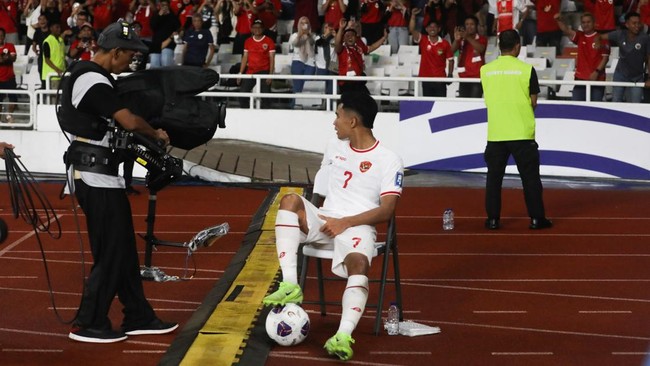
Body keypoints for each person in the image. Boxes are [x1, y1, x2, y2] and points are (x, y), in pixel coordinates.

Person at [262, 91, 404, 361]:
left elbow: (387, 210)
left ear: (352, 122)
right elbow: (320, 188)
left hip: (357, 225)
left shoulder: (389, 159)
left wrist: (345, 222)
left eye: (337, 116)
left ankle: (343, 335)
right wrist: (326, 217)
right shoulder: (335, 145)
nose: (334, 122)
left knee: (359, 264)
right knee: (290, 200)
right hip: (326, 218)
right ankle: (291, 284)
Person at [59, 21, 177, 343]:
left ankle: (138, 315)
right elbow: (126, 120)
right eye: (131, 54)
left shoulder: (92, 77)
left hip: (101, 176)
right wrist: (155, 133)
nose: (133, 60)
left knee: (123, 250)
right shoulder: (92, 79)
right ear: (116, 52)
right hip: (94, 176)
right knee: (111, 251)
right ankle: (90, 323)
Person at [480, 29, 552, 230]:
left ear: (499, 46)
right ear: (517, 46)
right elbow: (534, 101)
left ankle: (493, 220)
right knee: (530, 179)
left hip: (496, 132)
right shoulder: (527, 70)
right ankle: (537, 219)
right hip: (521, 132)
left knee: (494, 180)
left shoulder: (485, 70)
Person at [555, 12, 609, 101]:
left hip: (597, 80)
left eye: (588, 22)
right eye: (583, 22)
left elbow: (605, 58)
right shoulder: (580, 36)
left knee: (595, 109)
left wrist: (596, 72)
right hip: (580, 79)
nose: (586, 24)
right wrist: (559, 20)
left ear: (594, 23)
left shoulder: (601, 38)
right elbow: (566, 30)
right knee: (577, 108)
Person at [600, 12, 650, 103]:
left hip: (637, 77)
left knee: (635, 106)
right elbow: (601, 37)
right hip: (620, 75)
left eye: (638, 23)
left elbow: (649, 59)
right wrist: (598, 43)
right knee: (616, 103)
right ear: (627, 24)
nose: (637, 26)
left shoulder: (645, 38)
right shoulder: (619, 34)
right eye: (634, 23)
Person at [334, 18, 387, 93]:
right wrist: (341, 28)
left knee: (366, 100)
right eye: (347, 36)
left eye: (352, 36)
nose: (350, 38)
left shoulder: (359, 46)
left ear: (356, 38)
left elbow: (371, 47)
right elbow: (337, 43)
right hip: (346, 83)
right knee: (350, 103)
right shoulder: (341, 49)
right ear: (344, 39)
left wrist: (383, 38)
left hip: (358, 81)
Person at [410, 10, 454, 97]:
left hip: (440, 79)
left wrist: (450, 75)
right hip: (426, 78)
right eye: (430, 27)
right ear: (426, 29)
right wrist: (413, 16)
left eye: (435, 27)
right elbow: (411, 30)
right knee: (428, 105)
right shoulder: (423, 40)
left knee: (440, 105)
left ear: (439, 29)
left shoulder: (445, 43)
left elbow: (451, 60)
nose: (432, 29)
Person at [237, 19, 275, 108]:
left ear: (263, 29)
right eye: (255, 27)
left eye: (259, 27)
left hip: (264, 71)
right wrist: (240, 73)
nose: (257, 29)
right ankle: (245, 113)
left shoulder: (269, 41)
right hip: (250, 71)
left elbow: (272, 59)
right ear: (252, 29)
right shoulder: (248, 41)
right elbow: (245, 58)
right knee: (242, 95)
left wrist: (270, 75)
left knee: (266, 96)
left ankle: (266, 116)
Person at [451, 15, 486, 98]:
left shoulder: (482, 38)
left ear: (476, 26)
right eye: (467, 24)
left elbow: (481, 49)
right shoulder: (461, 39)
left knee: (474, 104)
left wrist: (467, 37)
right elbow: (451, 51)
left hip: (477, 78)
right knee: (464, 104)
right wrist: (456, 40)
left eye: (472, 24)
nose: (469, 26)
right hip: (464, 77)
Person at [288, 16, 316, 107]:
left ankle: (306, 107)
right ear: (299, 24)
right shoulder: (294, 35)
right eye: (302, 23)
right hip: (298, 62)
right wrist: (301, 35)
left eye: (307, 23)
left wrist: (308, 35)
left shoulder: (313, 35)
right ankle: (294, 107)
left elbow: (312, 43)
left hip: (310, 63)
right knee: (297, 87)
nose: (305, 25)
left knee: (307, 88)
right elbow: (296, 44)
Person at [149, 0, 181, 68]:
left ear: (168, 6)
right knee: (154, 64)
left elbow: (178, 26)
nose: (164, 7)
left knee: (165, 62)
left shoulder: (172, 15)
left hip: (169, 44)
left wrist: (169, 14)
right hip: (156, 44)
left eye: (165, 5)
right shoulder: (156, 14)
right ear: (160, 5)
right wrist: (159, 15)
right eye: (162, 5)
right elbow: (152, 26)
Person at [41, 20, 68, 89]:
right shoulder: (47, 41)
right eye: (57, 27)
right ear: (51, 28)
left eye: (59, 27)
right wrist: (57, 70)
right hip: (52, 75)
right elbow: (47, 59)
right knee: (53, 98)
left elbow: (63, 57)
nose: (59, 29)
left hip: (61, 73)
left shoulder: (61, 40)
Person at [0, 27, 17, 123]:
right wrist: (6, 58)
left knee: (13, 98)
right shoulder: (9, 49)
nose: (0, 37)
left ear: (4, 36)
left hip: (10, 77)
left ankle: (9, 115)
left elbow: (13, 58)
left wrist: (5, 58)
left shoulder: (10, 46)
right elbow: (6, 58)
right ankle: (1, 118)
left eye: (2, 36)